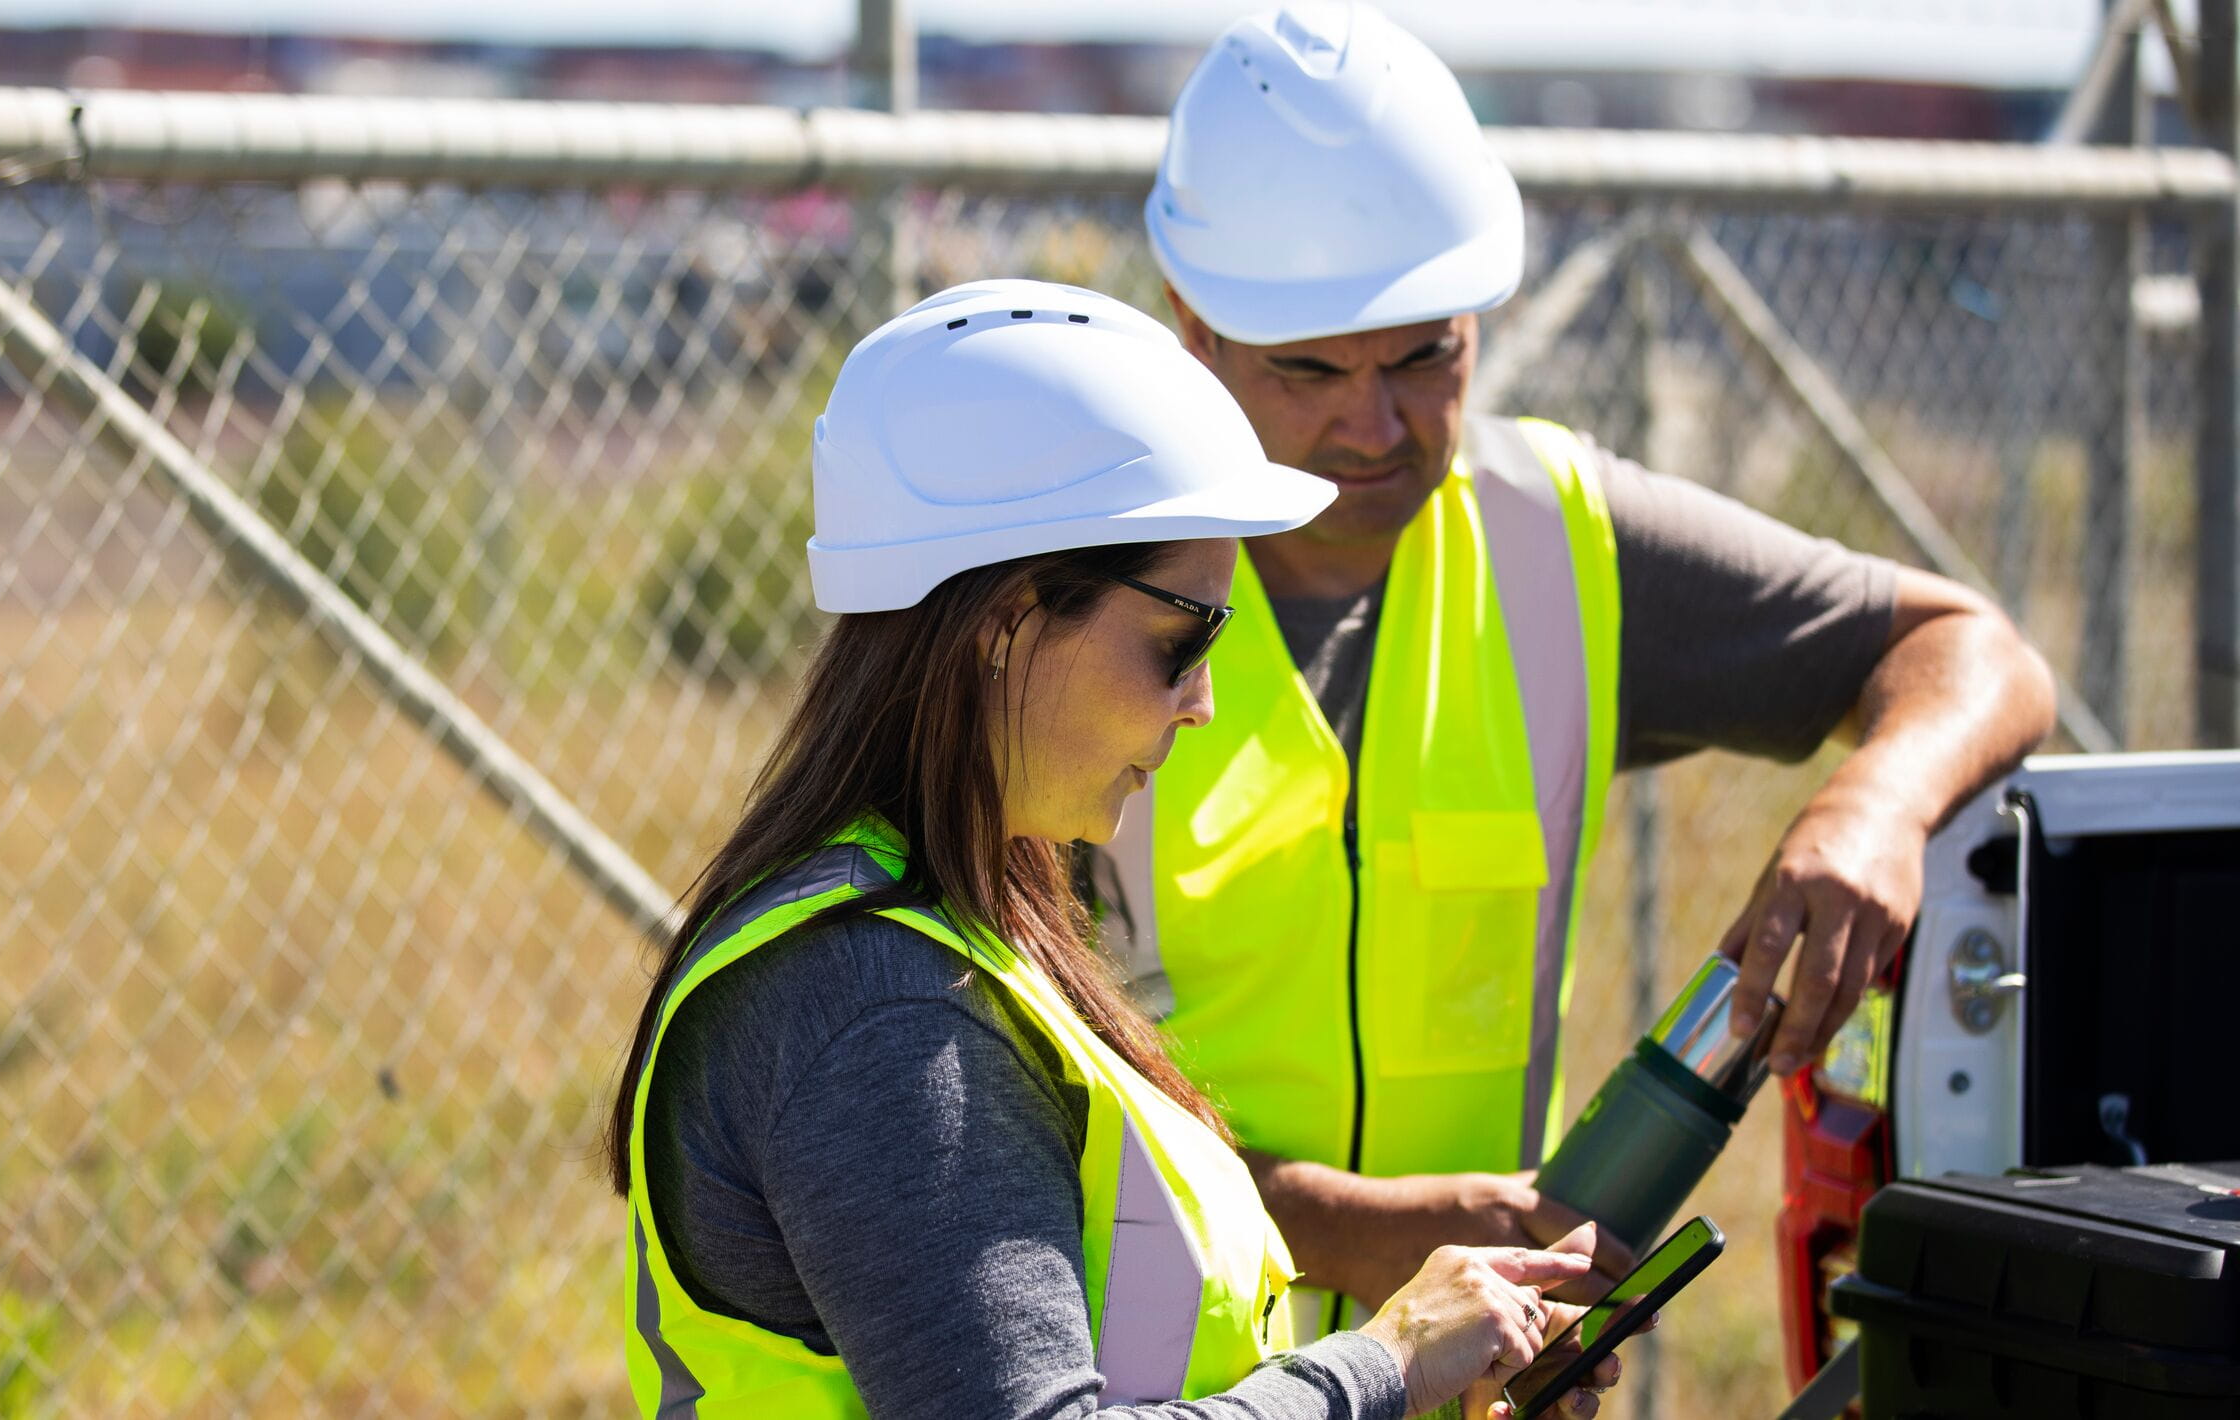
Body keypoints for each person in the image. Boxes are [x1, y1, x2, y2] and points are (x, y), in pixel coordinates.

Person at [1105, 0, 2060, 1335]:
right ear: (1190, 322)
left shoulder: (1561, 542)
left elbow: (1977, 654)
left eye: (1426, 356)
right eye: (1309, 369)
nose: (1374, 425)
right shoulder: (1072, 582)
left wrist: (1873, 809)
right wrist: (1357, 1230)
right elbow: (994, 1114)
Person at [608, 279, 1624, 1420]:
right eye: (1182, 641)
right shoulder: (883, 1014)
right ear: (1003, 627)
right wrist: (1385, 1363)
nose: (1201, 704)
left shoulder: (968, 936)